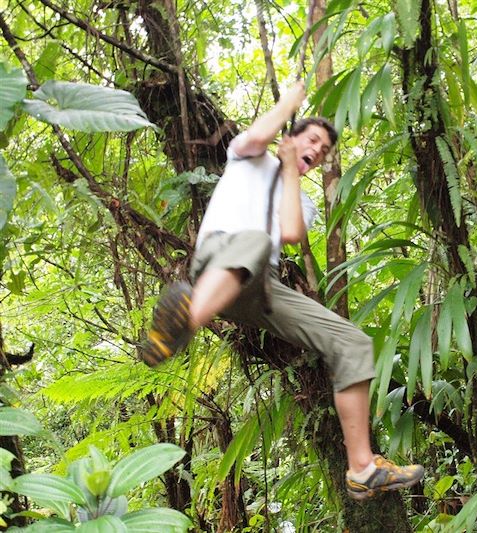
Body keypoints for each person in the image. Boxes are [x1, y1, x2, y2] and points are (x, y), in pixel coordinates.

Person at [139, 81, 423, 500]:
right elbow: (257, 136)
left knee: (353, 342)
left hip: (259, 288)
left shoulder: (300, 196)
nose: (317, 150)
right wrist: (290, 101)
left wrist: (292, 167)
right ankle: (180, 326)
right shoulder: (246, 157)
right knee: (254, 240)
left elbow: (289, 232)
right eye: (312, 139)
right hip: (219, 257)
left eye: (323, 150)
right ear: (289, 137)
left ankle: (361, 468)